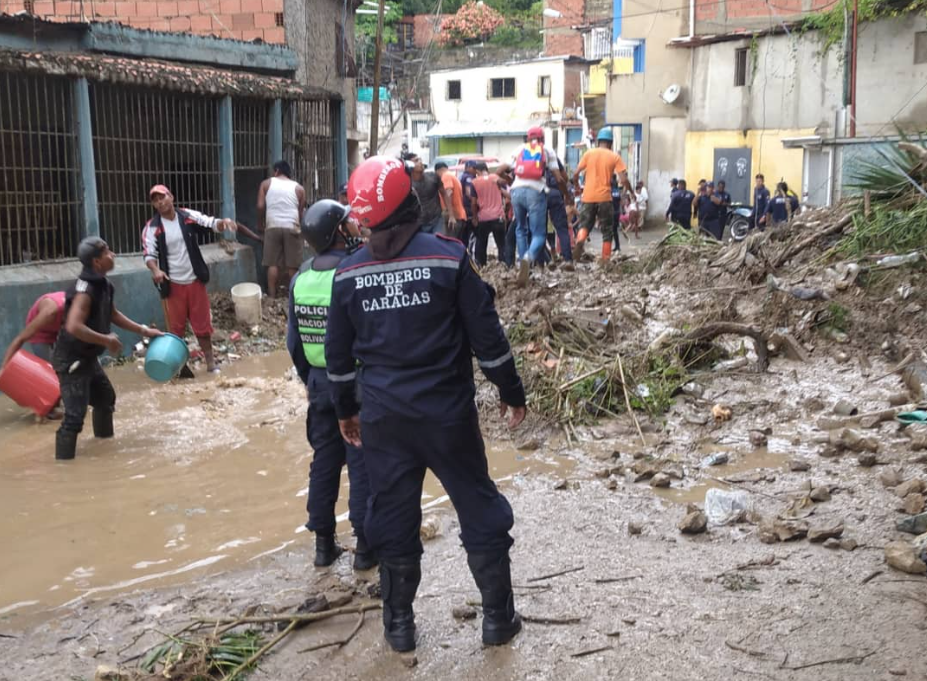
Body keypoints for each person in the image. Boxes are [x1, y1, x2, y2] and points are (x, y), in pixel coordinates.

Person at [326, 156, 527, 653]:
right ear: (412, 202)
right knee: (478, 505)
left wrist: (346, 411)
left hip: (384, 420)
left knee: (391, 516)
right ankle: (498, 621)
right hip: (447, 417)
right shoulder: (449, 256)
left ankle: (399, 627)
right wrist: (511, 392)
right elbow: (487, 336)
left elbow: (337, 359)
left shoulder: (348, 273)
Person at [287, 200, 374, 571]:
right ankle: (366, 547)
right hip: (357, 383)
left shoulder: (300, 277)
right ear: (338, 231)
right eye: (348, 223)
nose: (354, 226)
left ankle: (324, 545)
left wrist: (311, 380)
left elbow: (294, 342)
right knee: (362, 466)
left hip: (320, 385)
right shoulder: (355, 272)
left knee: (324, 463)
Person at [53, 237, 163, 460]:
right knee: (74, 418)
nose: (112, 255)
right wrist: (106, 340)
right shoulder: (85, 290)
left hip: (88, 357)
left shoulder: (104, 285)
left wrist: (144, 331)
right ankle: (63, 469)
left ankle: (104, 447)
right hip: (72, 361)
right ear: (96, 262)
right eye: (107, 252)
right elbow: (74, 326)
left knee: (105, 399)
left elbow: (112, 314)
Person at [142, 184, 236, 373]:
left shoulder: (186, 216)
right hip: (172, 283)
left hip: (194, 280)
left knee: (202, 325)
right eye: (156, 200)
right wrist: (155, 271)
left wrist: (223, 222)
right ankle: (181, 366)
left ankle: (210, 363)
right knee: (175, 329)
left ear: (172, 197)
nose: (160, 202)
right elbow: (149, 254)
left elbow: (209, 222)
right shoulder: (152, 228)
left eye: (163, 197)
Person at [497, 126, 569, 286]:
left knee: (520, 229)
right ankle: (528, 258)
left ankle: (524, 264)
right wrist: (567, 196)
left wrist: (510, 181)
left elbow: (499, 170)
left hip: (516, 192)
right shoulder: (547, 150)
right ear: (542, 139)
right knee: (539, 234)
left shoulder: (520, 149)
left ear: (528, 139)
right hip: (535, 192)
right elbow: (559, 179)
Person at [571, 128, 627, 261]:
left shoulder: (589, 154)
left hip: (588, 197)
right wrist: (628, 191)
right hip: (605, 198)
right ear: (611, 143)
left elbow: (575, 174)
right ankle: (605, 260)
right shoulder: (614, 156)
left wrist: (577, 187)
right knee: (607, 231)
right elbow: (623, 179)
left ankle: (581, 239)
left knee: (584, 224)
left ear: (598, 142)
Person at [257, 161, 307, 299]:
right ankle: (295, 296)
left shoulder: (266, 184)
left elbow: (260, 206)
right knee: (293, 265)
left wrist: (260, 224)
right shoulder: (299, 189)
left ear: (277, 171)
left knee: (272, 263)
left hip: (272, 225)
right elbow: (300, 212)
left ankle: (272, 296)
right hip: (292, 226)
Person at [2, 291, 65, 367]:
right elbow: (20, 339)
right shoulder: (49, 313)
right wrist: (3, 368)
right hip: (41, 331)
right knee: (48, 367)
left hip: (64, 323)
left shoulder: (78, 307)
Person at [470, 162, 509, 267]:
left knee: (481, 243)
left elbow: (473, 203)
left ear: (477, 171)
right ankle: (504, 265)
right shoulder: (495, 178)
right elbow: (507, 195)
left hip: (483, 217)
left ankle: (481, 265)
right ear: (486, 169)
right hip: (498, 216)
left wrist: (474, 217)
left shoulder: (474, 182)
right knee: (501, 244)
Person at [409, 156, 454, 235]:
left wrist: (451, 215)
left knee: (439, 243)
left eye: (420, 159)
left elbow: (444, 193)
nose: (420, 162)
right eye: (416, 161)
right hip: (419, 224)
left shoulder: (433, 177)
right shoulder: (407, 184)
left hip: (437, 220)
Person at [545, 156, 575, 270]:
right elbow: (563, 178)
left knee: (539, 232)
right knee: (562, 229)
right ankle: (568, 260)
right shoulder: (553, 158)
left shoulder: (533, 158)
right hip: (556, 194)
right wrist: (567, 195)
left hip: (540, 195)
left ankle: (547, 260)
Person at [435, 162, 467, 240]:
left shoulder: (446, 176)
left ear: (437, 171)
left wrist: (451, 215)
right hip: (459, 216)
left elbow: (448, 192)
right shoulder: (453, 176)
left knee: (449, 245)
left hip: (454, 217)